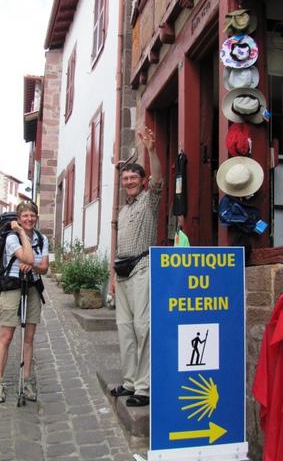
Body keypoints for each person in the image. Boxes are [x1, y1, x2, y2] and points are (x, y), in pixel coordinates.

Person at [110, 127, 162, 407]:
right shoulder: (123, 210)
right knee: (125, 329)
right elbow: (118, 247)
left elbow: (159, 179)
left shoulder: (149, 201)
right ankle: (130, 382)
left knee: (143, 328)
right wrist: (112, 276)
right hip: (122, 273)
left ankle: (144, 388)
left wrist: (151, 149)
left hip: (142, 267)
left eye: (133, 178)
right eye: (125, 179)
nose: (129, 182)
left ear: (143, 181)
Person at [0, 201, 49, 403]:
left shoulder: (42, 238)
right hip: (12, 288)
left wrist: (32, 266)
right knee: (6, 336)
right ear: (18, 219)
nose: (29, 219)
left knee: (29, 338)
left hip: (32, 288)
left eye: (32, 215)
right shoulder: (11, 237)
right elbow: (28, 257)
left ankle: (27, 380)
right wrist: (22, 233)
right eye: (25, 216)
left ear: (36, 217)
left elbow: (44, 268)